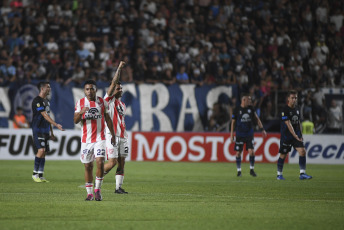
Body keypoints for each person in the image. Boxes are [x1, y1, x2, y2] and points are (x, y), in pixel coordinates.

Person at [74, 79, 116, 201]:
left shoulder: (102, 102)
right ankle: (89, 193)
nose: (90, 91)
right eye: (87, 89)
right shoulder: (80, 103)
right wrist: (80, 112)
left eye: (92, 88)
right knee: (88, 166)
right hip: (86, 140)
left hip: (100, 138)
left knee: (100, 162)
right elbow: (75, 120)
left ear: (96, 90)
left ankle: (97, 190)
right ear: (84, 91)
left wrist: (112, 134)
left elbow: (108, 119)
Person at [103, 61, 129, 194]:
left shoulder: (122, 105)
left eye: (121, 88)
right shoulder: (108, 100)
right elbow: (113, 82)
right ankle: (97, 176)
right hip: (112, 136)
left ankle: (118, 188)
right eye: (118, 88)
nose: (120, 90)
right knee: (112, 162)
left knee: (121, 163)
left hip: (123, 137)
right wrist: (119, 68)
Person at [31, 82, 64, 183]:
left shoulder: (47, 102)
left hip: (45, 130)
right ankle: (34, 174)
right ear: (42, 89)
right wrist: (56, 125)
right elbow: (45, 115)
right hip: (38, 129)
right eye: (48, 87)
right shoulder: (37, 100)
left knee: (44, 152)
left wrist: (52, 132)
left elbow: (48, 118)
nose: (50, 89)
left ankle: (40, 175)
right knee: (41, 150)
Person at [276, 90, 312, 180]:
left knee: (302, 152)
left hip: (296, 135)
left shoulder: (297, 108)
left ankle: (302, 174)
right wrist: (295, 135)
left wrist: (300, 133)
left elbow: (298, 122)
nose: (294, 99)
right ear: (288, 99)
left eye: (295, 98)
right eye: (292, 98)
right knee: (283, 155)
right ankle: (279, 175)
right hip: (286, 136)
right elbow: (288, 124)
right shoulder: (284, 110)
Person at [230, 93, 267, 177]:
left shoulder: (251, 108)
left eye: (250, 99)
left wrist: (262, 129)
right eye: (248, 99)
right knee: (238, 153)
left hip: (249, 134)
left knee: (252, 151)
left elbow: (257, 119)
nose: (250, 101)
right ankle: (239, 171)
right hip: (239, 134)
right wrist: (231, 135)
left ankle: (251, 170)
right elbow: (233, 123)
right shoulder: (236, 109)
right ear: (243, 100)